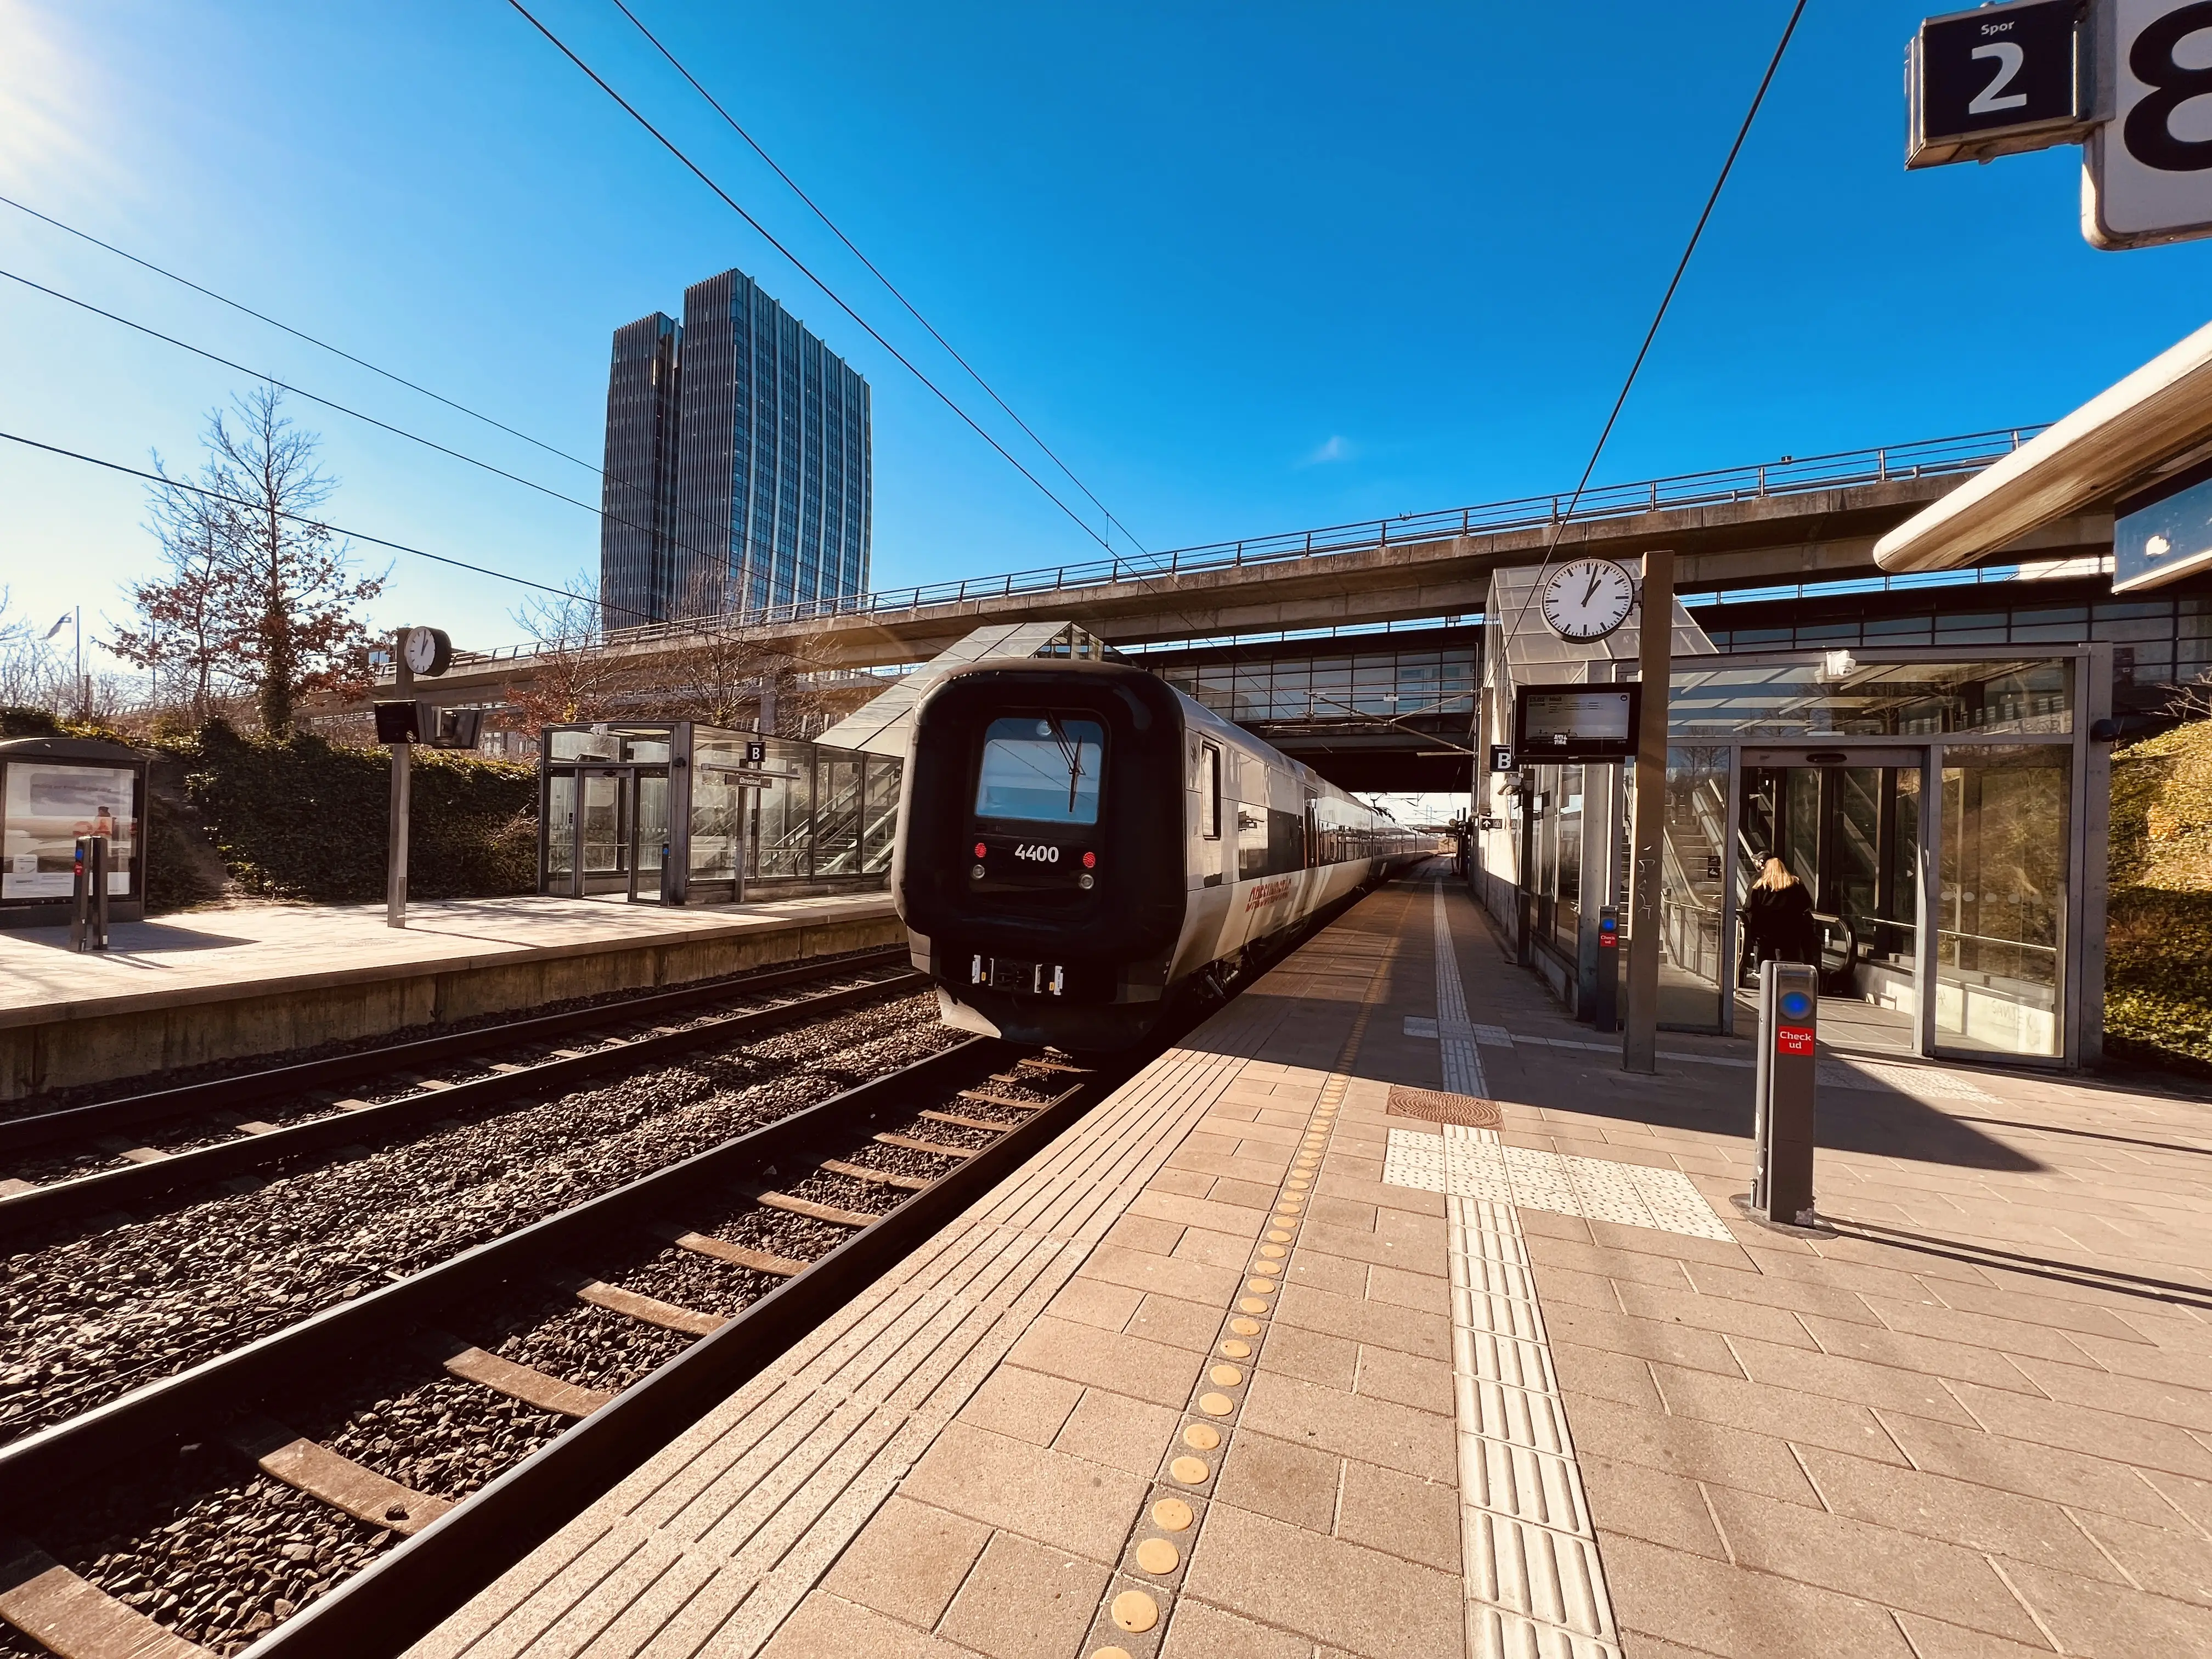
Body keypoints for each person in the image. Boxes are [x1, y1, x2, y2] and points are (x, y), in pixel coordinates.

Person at [1739, 857, 1814, 984]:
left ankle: (1767, 983)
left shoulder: (1760, 885)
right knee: (1787, 957)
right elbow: (1807, 902)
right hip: (1790, 929)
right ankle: (1785, 982)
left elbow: (1750, 906)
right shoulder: (1795, 883)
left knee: (1766, 956)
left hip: (1764, 929)